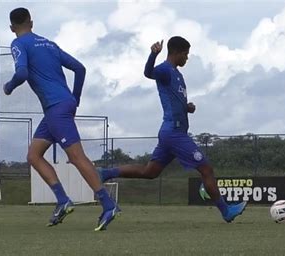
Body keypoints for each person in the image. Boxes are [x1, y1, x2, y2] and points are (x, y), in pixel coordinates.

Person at [98, 36, 247, 223]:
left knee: (149, 172)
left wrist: (187, 107)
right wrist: (153, 55)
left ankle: (105, 173)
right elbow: (148, 72)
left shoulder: (177, 74)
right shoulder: (165, 70)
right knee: (206, 169)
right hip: (174, 133)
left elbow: (174, 101)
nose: (187, 58)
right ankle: (226, 211)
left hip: (172, 133)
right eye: (186, 54)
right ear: (176, 53)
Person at [3, 7, 120, 231]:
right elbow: (79, 68)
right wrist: (74, 99)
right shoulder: (49, 44)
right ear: (32, 22)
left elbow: (22, 73)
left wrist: (8, 87)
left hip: (56, 108)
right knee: (33, 155)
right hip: (57, 107)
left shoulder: (18, 44)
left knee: (76, 157)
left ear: (11, 28)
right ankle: (63, 200)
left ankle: (108, 204)